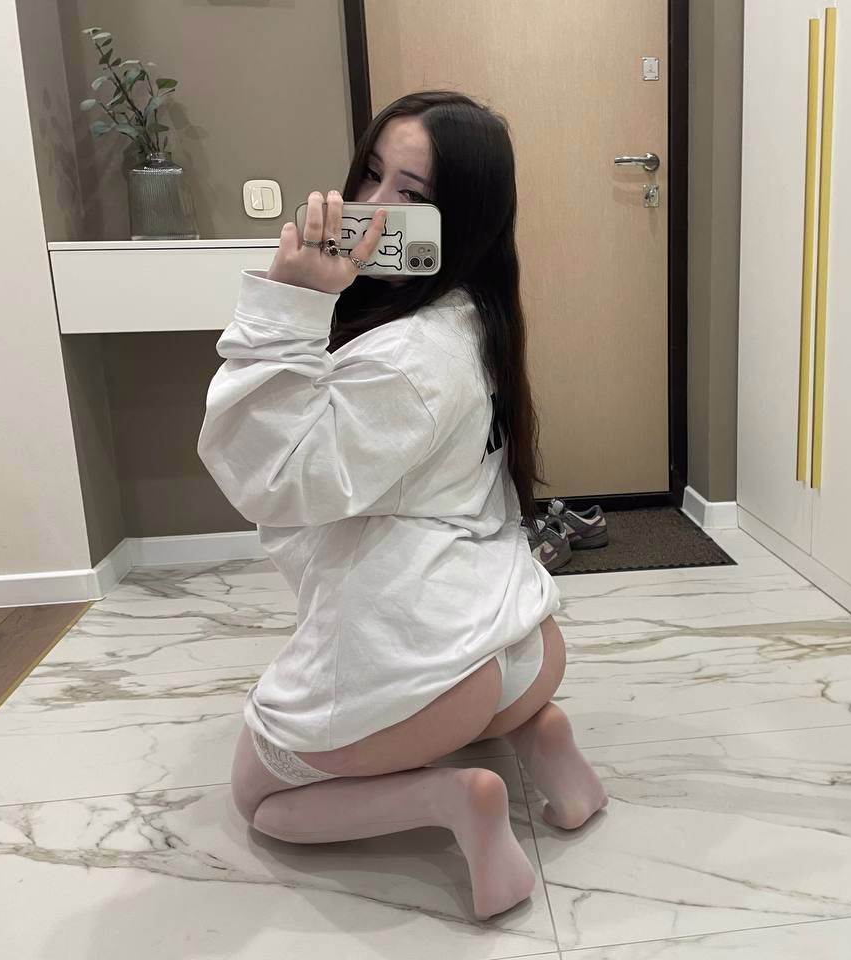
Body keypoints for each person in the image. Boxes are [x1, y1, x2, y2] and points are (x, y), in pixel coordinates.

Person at [198, 91, 607, 921]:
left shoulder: (406, 360)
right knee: (449, 703)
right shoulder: (473, 319)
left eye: (411, 195)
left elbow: (267, 471)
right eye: (371, 177)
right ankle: (539, 734)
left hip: (432, 660)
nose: (374, 209)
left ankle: (452, 800)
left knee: (259, 798)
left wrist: (287, 304)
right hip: (522, 640)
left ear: (462, 220)